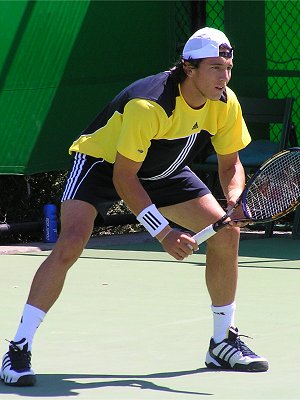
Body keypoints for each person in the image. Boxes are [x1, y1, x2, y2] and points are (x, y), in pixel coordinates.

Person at [1, 27, 269, 386]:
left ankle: (222, 341)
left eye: (228, 67)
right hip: (103, 165)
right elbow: (125, 180)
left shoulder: (224, 102)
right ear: (189, 68)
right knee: (70, 243)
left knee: (226, 234)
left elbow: (230, 165)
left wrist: (234, 199)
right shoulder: (149, 104)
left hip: (165, 168)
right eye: (215, 68)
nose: (225, 77)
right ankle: (18, 348)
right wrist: (164, 232)